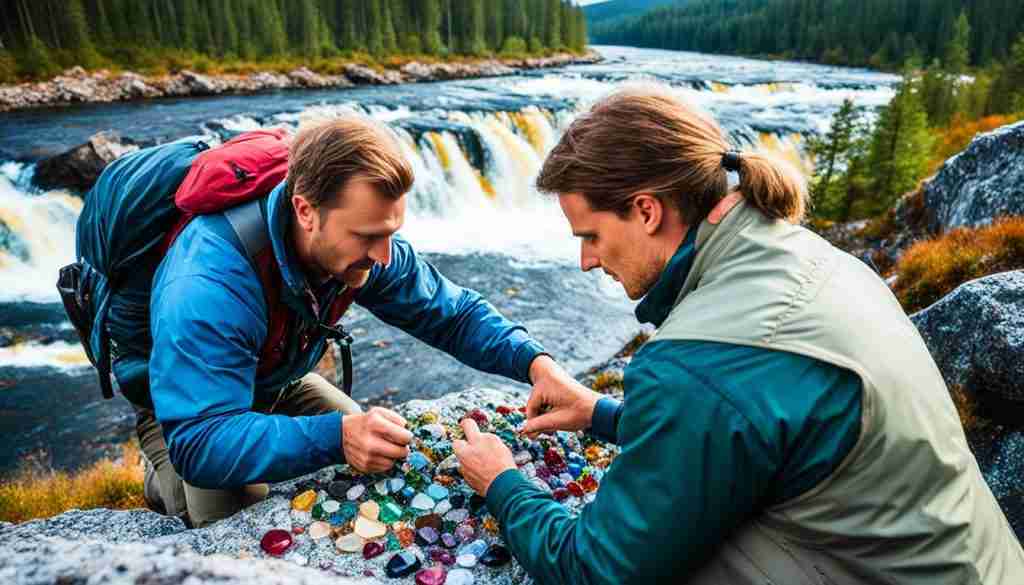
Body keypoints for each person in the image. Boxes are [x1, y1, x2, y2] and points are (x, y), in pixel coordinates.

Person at [453, 86, 1024, 584]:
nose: (585, 260)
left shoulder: (696, 362)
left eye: (592, 236)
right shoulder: (820, 258)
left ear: (647, 211)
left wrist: (503, 483)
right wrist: (602, 413)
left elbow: (597, 568)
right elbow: (762, 424)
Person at [139, 116, 580, 528]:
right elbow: (201, 441)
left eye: (391, 232)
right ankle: (160, 475)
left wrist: (537, 365)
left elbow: (454, 314)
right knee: (230, 519)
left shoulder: (359, 240)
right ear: (305, 211)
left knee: (381, 456)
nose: (384, 256)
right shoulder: (208, 285)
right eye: (369, 237)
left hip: (277, 377)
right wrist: (337, 436)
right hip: (191, 406)